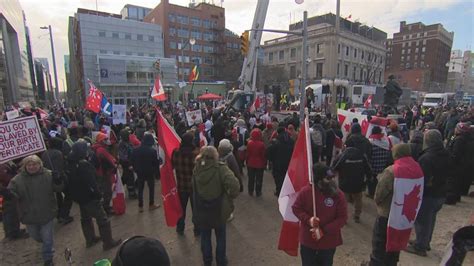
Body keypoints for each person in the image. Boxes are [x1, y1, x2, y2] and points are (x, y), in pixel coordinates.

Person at [369, 143, 423, 266]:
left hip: (387, 214)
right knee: (395, 245)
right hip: (405, 216)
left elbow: (379, 194)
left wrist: (377, 202)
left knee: (380, 245)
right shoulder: (417, 168)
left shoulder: (392, 171)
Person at [6, 155, 64, 266]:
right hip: (29, 215)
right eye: (29, 165)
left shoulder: (48, 174)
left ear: (40, 164)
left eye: (34, 164)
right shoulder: (17, 180)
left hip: (47, 212)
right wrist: (8, 195)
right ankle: (47, 244)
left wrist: (58, 180)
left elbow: (58, 189)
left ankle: (48, 259)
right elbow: (12, 194)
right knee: (37, 236)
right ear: (25, 166)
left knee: (47, 238)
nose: (32, 167)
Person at [406, 129, 453, 257]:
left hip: (429, 194)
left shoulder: (427, 158)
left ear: (428, 142)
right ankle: (425, 242)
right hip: (441, 192)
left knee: (422, 221)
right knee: (430, 219)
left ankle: (420, 246)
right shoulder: (446, 153)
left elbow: (422, 178)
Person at [67, 140, 122, 250]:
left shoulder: (70, 163)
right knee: (102, 219)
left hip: (79, 197)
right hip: (89, 197)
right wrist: (98, 194)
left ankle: (90, 239)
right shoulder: (84, 165)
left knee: (85, 218)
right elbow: (91, 182)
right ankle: (108, 242)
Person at [192, 146, 240, 266]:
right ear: (215, 155)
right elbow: (235, 186)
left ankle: (207, 261)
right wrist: (229, 197)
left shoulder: (196, 168)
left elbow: (194, 188)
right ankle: (221, 261)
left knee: (205, 237)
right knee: (220, 237)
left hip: (202, 208)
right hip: (218, 208)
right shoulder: (220, 168)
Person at [292, 163, 348, 266]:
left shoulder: (338, 195)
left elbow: (342, 218)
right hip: (308, 241)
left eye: (332, 177)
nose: (331, 181)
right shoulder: (306, 192)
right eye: (327, 178)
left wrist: (324, 230)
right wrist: (309, 220)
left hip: (328, 242)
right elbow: (296, 208)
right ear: (318, 180)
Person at [332, 144, 372, 223]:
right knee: (358, 200)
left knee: (343, 201)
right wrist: (368, 179)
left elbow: (334, 168)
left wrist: (328, 176)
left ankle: (344, 217)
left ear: (346, 146)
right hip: (358, 183)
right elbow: (368, 169)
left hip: (344, 183)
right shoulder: (362, 156)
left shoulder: (342, 156)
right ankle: (357, 216)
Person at [172, 132, 199, 235]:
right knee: (196, 210)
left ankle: (180, 227)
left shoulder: (176, 153)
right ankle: (197, 229)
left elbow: (172, 165)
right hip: (193, 187)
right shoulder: (195, 155)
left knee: (181, 209)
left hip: (181, 185)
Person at [42, 137, 74, 224]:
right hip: (59, 178)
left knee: (58, 197)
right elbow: (60, 167)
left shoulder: (45, 153)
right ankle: (64, 215)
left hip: (49, 178)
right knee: (69, 195)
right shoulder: (58, 153)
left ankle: (59, 214)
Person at [131, 133, 161, 213]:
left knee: (140, 189)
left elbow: (132, 161)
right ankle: (151, 204)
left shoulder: (135, 150)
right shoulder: (152, 151)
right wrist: (157, 174)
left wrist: (135, 169)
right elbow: (156, 163)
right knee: (151, 188)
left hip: (139, 172)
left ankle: (140, 206)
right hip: (150, 172)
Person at [446, 122, 474, 204]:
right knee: (457, 181)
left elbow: (456, 153)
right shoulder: (465, 138)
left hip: (457, 164)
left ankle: (450, 198)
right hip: (463, 164)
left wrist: (450, 161)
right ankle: (456, 196)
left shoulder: (459, 140)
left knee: (452, 181)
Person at [0, 162, 28, 240]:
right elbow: (5, 177)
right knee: (11, 211)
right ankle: (14, 232)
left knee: (5, 212)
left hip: (3, 191)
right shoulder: (2, 166)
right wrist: (15, 174)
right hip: (5, 191)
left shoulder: (4, 164)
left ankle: (9, 231)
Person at [92, 132, 117, 215]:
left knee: (104, 189)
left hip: (100, 172)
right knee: (107, 190)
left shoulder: (97, 148)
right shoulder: (101, 150)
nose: (107, 141)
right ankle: (106, 208)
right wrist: (114, 164)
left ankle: (105, 206)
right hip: (104, 172)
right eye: (105, 139)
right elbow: (110, 159)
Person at [267, 127, 294, 196]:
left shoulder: (275, 141)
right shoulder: (291, 140)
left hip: (277, 163)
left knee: (278, 178)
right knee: (286, 177)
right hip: (288, 162)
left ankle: (279, 191)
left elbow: (269, 151)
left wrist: (271, 160)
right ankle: (285, 191)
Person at [367, 126, 392, 198]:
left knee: (371, 179)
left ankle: (372, 193)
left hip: (374, 165)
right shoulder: (385, 141)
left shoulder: (371, 142)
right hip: (383, 165)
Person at [246, 128, 266, 197]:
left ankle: (250, 191)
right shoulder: (262, 144)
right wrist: (264, 163)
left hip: (251, 163)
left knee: (251, 178)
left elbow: (247, 154)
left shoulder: (249, 143)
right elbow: (263, 155)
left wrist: (247, 161)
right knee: (259, 179)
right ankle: (258, 191)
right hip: (259, 164)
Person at [118, 128, 137, 199]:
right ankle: (132, 194)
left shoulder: (127, 142)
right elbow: (123, 156)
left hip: (129, 162)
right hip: (127, 163)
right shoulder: (122, 144)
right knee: (129, 178)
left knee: (126, 177)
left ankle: (120, 187)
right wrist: (129, 164)